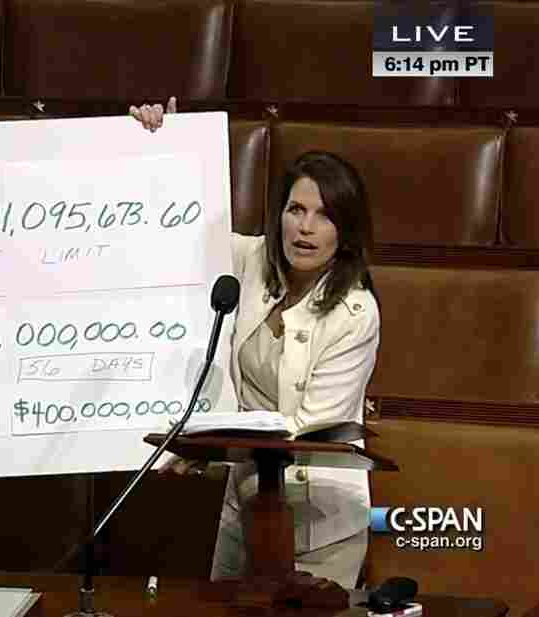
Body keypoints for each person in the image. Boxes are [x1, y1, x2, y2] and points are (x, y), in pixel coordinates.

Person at [132, 98, 381, 589]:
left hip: (319, 524)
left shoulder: (356, 313)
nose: (305, 227)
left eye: (324, 216)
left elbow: (306, 428)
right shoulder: (251, 261)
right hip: (244, 506)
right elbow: (172, 225)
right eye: (295, 209)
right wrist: (163, 146)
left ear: (345, 234)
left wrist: (202, 446)